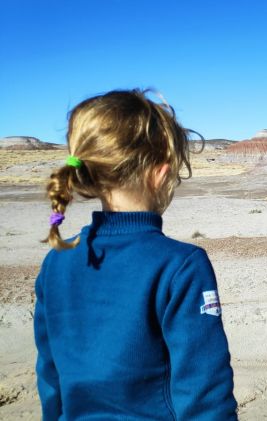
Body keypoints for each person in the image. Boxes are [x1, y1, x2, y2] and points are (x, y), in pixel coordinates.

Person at [34, 89, 238, 420]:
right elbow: (205, 392)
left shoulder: (56, 261)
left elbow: (50, 380)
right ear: (161, 173)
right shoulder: (181, 266)